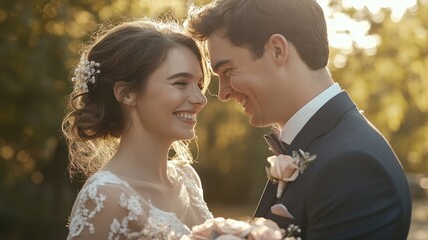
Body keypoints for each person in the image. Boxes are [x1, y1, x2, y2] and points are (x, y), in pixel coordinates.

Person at [185, 0, 412, 239]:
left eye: (228, 71)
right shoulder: (323, 145)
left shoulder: (353, 165)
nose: (223, 93)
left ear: (277, 50)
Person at [62, 19, 213, 239]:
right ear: (127, 94)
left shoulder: (188, 178)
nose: (201, 99)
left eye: (199, 85)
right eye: (181, 83)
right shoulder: (106, 197)